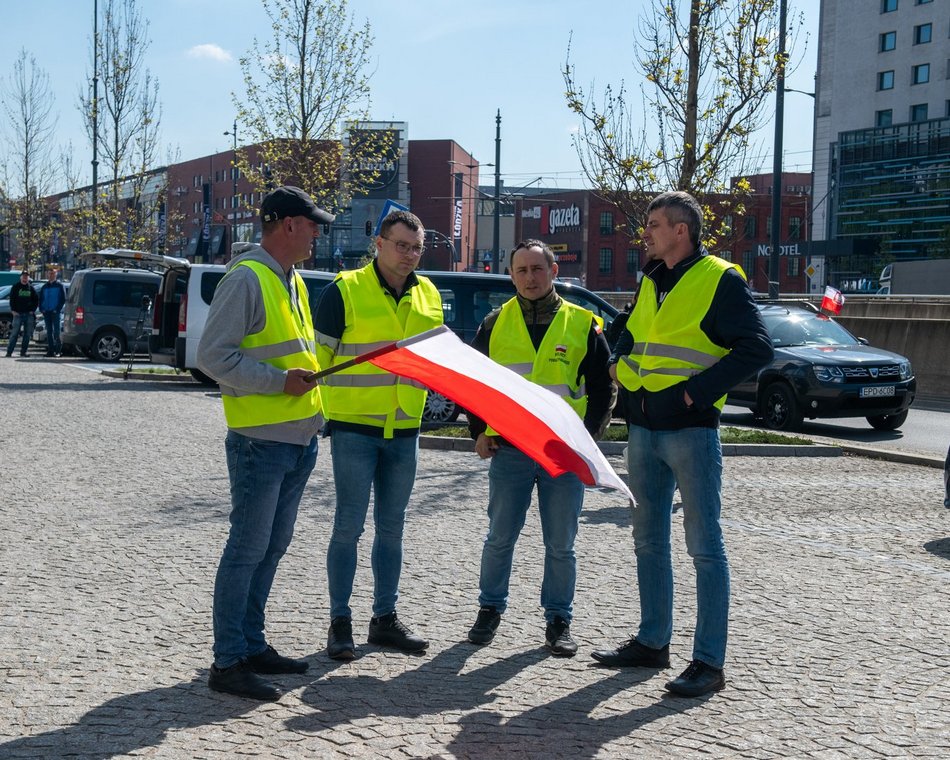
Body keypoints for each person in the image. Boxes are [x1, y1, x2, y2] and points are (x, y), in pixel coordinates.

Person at [591, 191, 773, 697]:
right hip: (644, 430)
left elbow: (757, 348)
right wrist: (618, 365)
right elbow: (629, 334)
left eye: (653, 224)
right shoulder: (652, 278)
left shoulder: (720, 277)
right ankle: (653, 643)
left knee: (704, 547)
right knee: (647, 540)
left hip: (691, 432)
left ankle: (709, 663)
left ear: (681, 231)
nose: (645, 233)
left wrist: (696, 392)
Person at [196, 185, 333, 701]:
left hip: (297, 438)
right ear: (287, 225)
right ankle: (228, 662)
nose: (318, 231)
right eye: (312, 222)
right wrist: (280, 383)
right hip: (260, 440)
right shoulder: (248, 277)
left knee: (271, 547)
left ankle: (251, 645)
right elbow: (214, 356)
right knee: (247, 549)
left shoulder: (289, 278)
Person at [466, 239, 615, 656]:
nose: (529, 278)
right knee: (499, 537)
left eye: (537, 269)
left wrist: (587, 440)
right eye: (521, 271)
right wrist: (478, 431)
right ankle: (489, 609)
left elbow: (604, 388)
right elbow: (472, 385)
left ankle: (558, 618)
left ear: (553, 271)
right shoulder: (495, 324)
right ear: (511, 275)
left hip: (561, 453)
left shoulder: (583, 324)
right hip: (509, 448)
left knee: (561, 543)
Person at [314, 209, 443, 661]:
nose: (409, 254)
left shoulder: (429, 294)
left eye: (416, 248)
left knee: (392, 528)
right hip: (354, 428)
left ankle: (384, 619)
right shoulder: (344, 290)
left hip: (405, 429)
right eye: (402, 245)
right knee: (348, 527)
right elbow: (317, 362)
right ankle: (339, 620)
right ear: (379, 244)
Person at [6, 271, 38, 358]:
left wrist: (33, 310)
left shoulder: (31, 288)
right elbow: (11, 299)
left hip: (28, 314)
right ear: (21, 277)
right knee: (14, 334)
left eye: (26, 277)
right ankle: (9, 352)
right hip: (17, 314)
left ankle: (23, 352)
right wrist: (13, 310)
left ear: (28, 278)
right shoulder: (16, 287)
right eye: (23, 277)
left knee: (27, 335)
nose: (25, 278)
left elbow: (36, 300)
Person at [39, 269, 67, 357]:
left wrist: (57, 309)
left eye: (53, 274)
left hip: (55, 312)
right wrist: (41, 309)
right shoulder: (44, 286)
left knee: (56, 332)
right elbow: (41, 299)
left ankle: (58, 351)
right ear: (47, 274)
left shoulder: (59, 286)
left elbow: (63, 299)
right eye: (50, 273)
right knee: (49, 332)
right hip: (46, 312)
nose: (51, 275)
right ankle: (50, 351)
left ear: (56, 275)